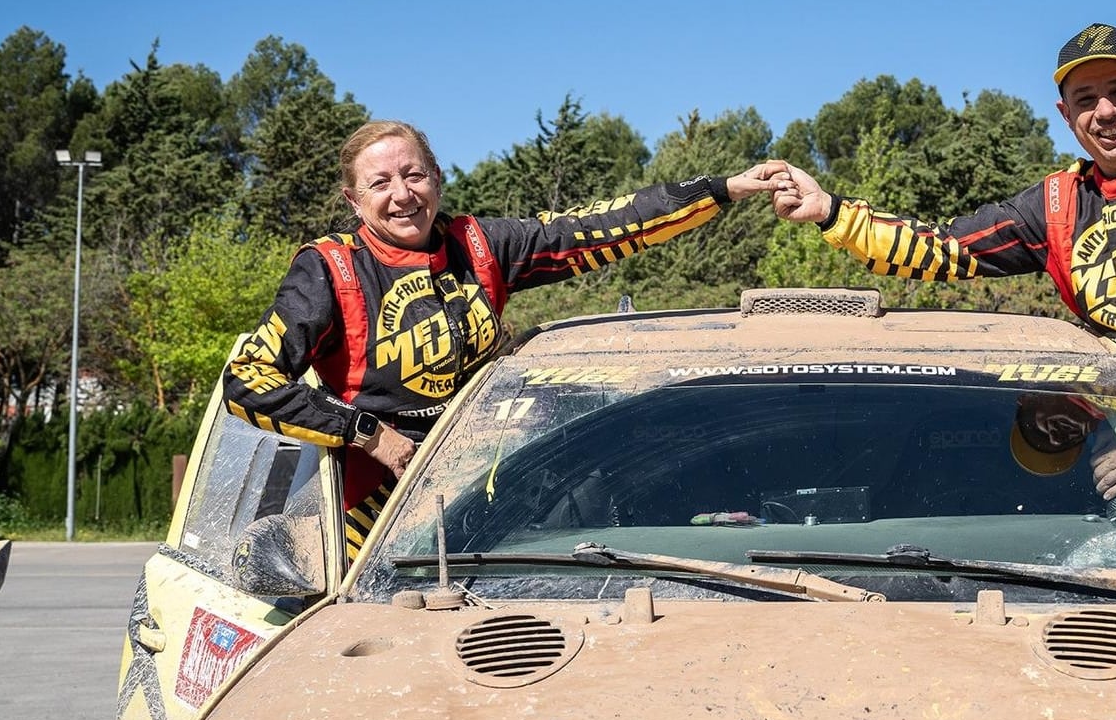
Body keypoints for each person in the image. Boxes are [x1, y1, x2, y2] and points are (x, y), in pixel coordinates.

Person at [772, 24, 1116, 579]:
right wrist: (832, 211)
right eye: (1085, 100)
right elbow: (945, 248)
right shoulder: (1057, 202)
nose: (1106, 112)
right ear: (1066, 115)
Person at [224, 119, 786, 558]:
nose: (402, 194)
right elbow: (246, 382)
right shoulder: (327, 269)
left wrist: (723, 190)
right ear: (353, 201)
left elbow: (603, 225)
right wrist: (370, 434)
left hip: (474, 488)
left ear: (437, 180)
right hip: (367, 504)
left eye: (414, 175)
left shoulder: (481, 243)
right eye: (380, 183)